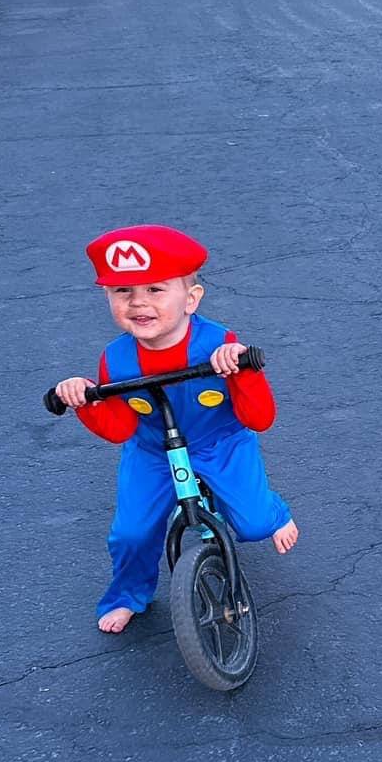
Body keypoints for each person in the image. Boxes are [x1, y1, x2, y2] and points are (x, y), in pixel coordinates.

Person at [52, 225, 299, 633]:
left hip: (219, 443)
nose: (137, 303)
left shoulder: (217, 344)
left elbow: (259, 419)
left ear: (191, 299)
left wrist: (242, 371)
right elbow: (118, 429)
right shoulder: (116, 360)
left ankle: (275, 510)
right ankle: (129, 595)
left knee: (254, 523)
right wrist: (86, 399)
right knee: (131, 533)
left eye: (154, 290)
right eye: (122, 292)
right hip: (151, 450)